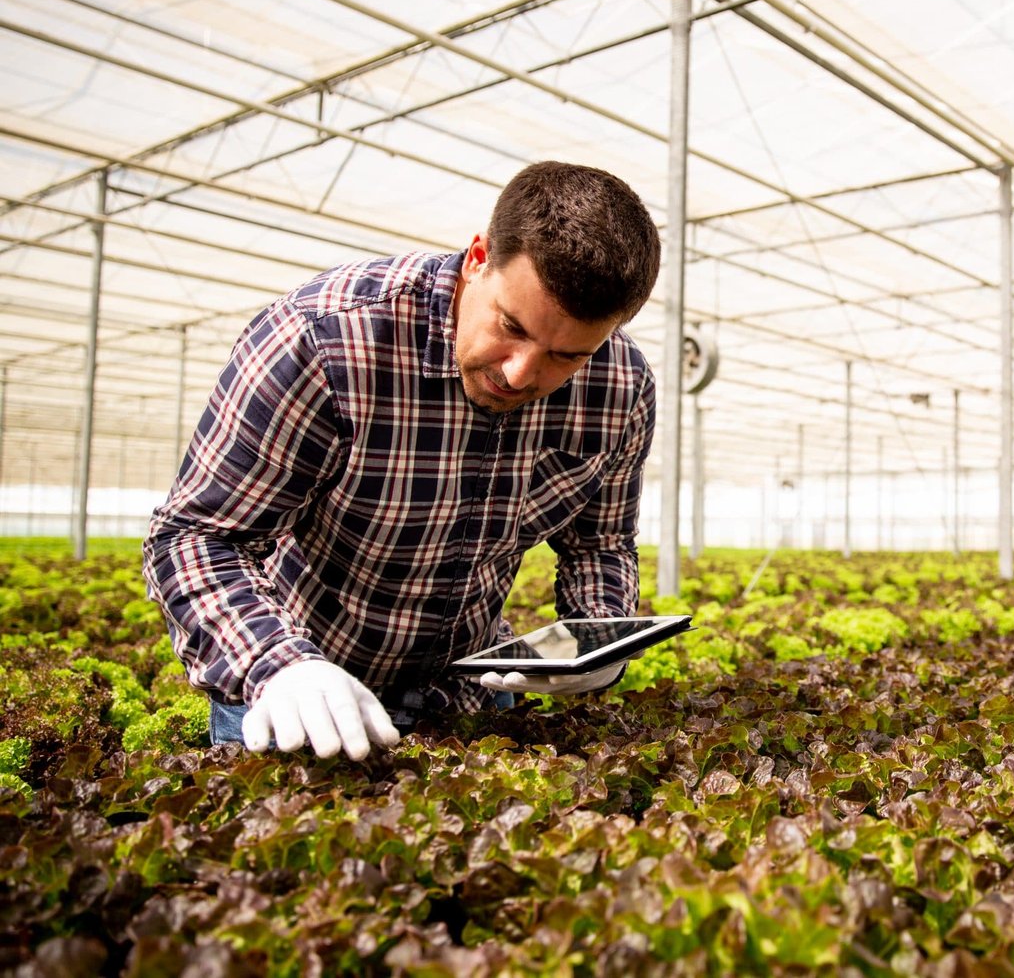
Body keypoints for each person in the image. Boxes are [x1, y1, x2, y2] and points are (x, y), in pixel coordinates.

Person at [142, 161, 661, 761]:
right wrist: (277, 665)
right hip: (304, 700)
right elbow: (195, 537)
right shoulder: (322, 342)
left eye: (566, 356)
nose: (521, 373)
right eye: (510, 326)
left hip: (467, 700)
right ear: (477, 258)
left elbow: (599, 545)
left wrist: (595, 643)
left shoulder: (620, 386)